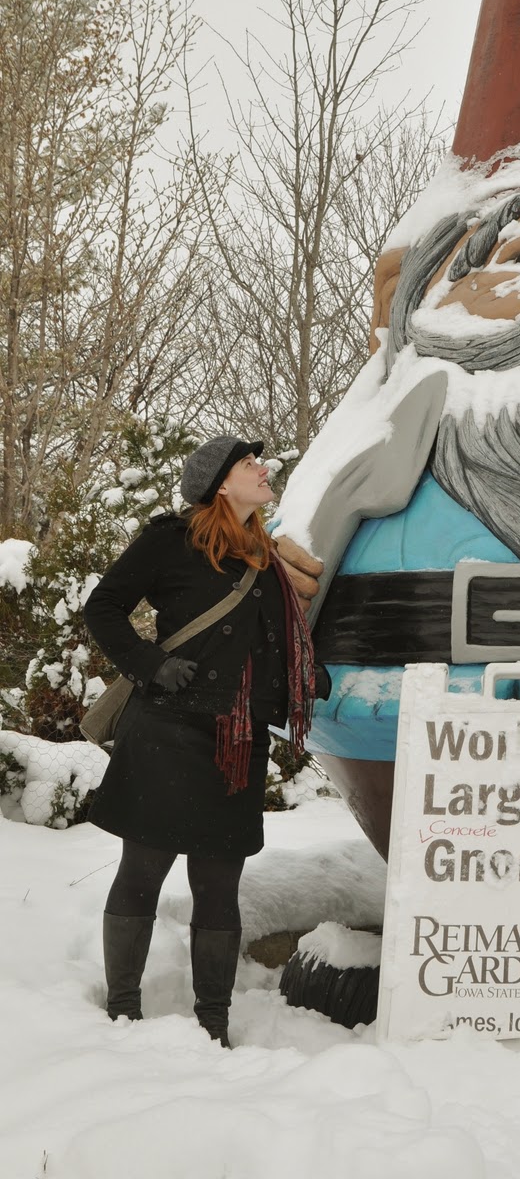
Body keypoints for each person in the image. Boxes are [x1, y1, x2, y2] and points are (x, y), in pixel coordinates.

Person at [85, 435, 326, 1046]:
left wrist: (303, 678)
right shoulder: (173, 540)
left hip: (235, 741)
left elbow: (266, 643)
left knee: (218, 883)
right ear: (221, 482)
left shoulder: (266, 559)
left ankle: (212, 1025)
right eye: (250, 464)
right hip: (167, 729)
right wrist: (149, 664)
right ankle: (122, 1012)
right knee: (143, 868)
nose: (263, 469)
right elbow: (104, 607)